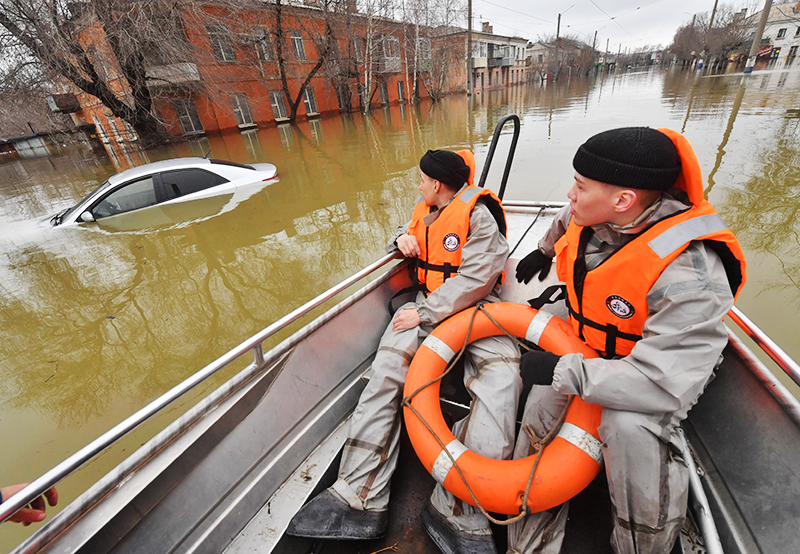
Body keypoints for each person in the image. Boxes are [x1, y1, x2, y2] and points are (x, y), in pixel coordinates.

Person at [510, 127, 746, 554]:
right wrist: (543, 252)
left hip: (656, 371)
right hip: (591, 347)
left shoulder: (690, 273)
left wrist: (563, 370)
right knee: (540, 406)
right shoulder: (592, 213)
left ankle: (641, 543)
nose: (571, 193)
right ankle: (527, 533)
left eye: (580, 186)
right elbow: (566, 219)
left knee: (627, 427)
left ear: (623, 201)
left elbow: (659, 381)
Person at [287, 149, 521, 554]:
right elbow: (402, 228)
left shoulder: (479, 215)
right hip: (427, 305)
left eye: (423, 179)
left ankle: (459, 508)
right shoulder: (426, 210)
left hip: (477, 311)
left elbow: (480, 276)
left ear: (438, 183)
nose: (419, 185)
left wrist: (426, 311)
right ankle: (361, 495)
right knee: (388, 367)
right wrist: (400, 237)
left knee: (501, 383)